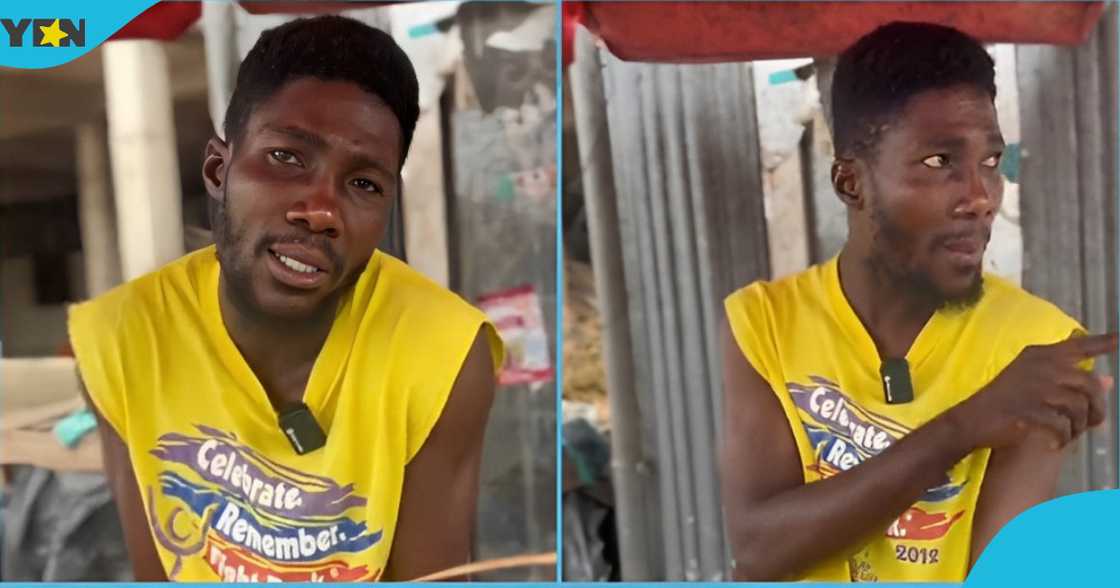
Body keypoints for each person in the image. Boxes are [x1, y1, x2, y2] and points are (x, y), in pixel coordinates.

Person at [69, 16, 502, 582]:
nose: (321, 211)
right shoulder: (121, 338)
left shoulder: (443, 352)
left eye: (364, 184)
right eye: (286, 158)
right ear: (218, 170)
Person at [719, 22, 1116, 582]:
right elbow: (760, 551)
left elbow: (1001, 575)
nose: (980, 198)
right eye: (939, 162)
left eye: (990, 162)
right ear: (851, 182)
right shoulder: (765, 322)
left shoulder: (1038, 345)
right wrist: (966, 425)